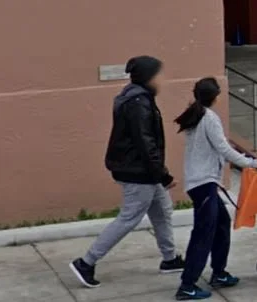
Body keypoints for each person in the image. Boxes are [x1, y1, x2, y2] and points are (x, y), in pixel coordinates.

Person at [70, 56, 184, 289]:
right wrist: (163, 175)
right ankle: (86, 262)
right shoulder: (138, 103)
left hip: (143, 170)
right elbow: (145, 143)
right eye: (158, 75)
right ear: (148, 78)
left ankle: (170, 259)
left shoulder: (137, 98)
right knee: (129, 218)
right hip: (138, 172)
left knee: (162, 210)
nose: (163, 79)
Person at [172, 77, 257, 300]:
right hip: (203, 184)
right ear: (216, 96)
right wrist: (252, 163)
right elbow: (223, 149)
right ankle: (187, 285)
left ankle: (219, 273)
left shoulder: (198, 113)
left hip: (204, 182)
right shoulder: (209, 117)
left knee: (221, 224)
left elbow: (212, 148)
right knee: (203, 233)